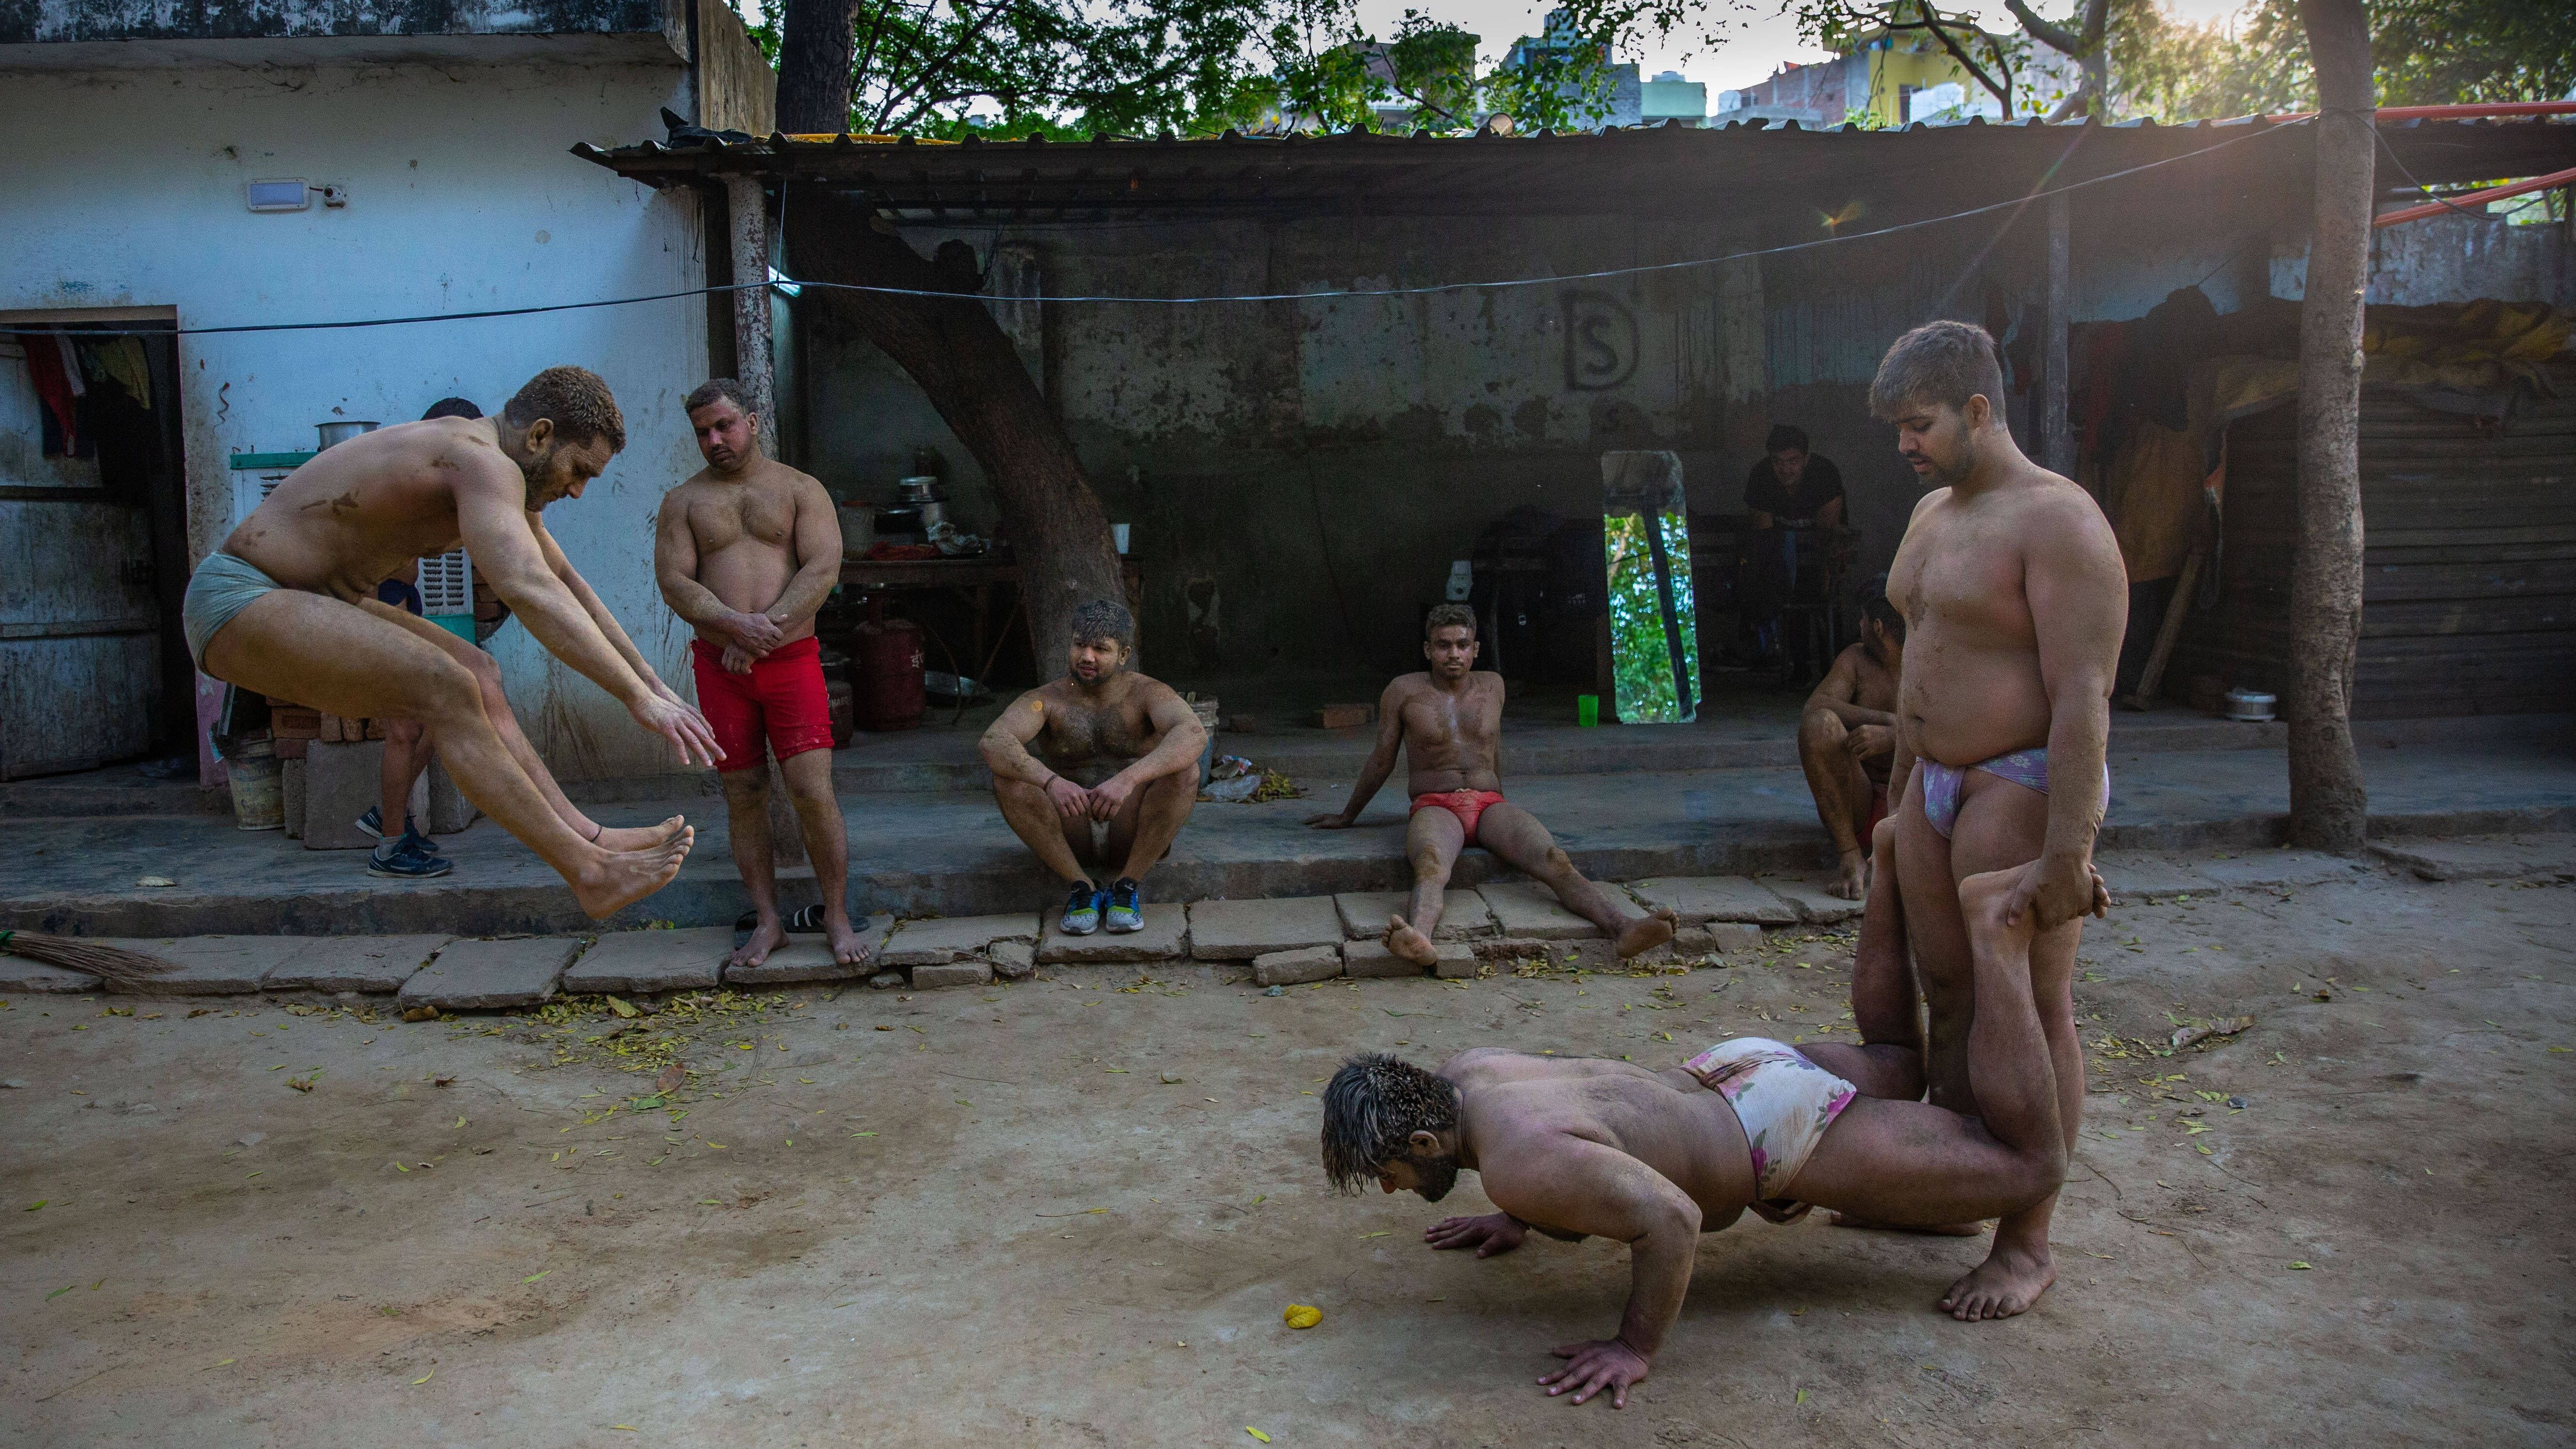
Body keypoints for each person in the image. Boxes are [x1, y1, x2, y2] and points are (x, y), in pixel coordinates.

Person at [1317, 860, 2084, 1408]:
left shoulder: (1518, 1161)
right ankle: (1885, 858)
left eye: (1389, 1172)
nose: (1392, 1189)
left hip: (1770, 1135)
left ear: (1423, 1143)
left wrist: (1632, 1346)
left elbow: (1673, 1220)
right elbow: (1567, 1132)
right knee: (1896, 1060)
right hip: (1733, 1067)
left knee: (2030, 1166)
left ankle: (1998, 941)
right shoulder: (1469, 1072)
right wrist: (1513, 1213)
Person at [185, 366, 717, 919]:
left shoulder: (494, 466)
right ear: (539, 435)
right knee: (447, 686)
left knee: (478, 671)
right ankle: (589, 873)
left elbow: (565, 583)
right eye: (579, 470)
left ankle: (590, 836)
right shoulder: (480, 461)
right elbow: (528, 589)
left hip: (307, 600)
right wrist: (634, 699)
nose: (578, 491)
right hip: (240, 598)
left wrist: (651, 682)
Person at [1875, 319, 2128, 1320]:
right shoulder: (1933, 511)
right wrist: (1897, 792)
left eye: (1919, 422)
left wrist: (2069, 851)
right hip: (1932, 783)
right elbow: (1916, 657)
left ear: (1978, 409)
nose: (1904, 443)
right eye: (1898, 426)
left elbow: (2082, 696)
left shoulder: (2059, 521)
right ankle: (1953, 1189)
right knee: (1948, 988)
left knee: (2027, 999)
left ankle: (2027, 1241)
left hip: (2018, 784)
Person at [1305, 604, 1677, 965]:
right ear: (1427, 650)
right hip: (1435, 804)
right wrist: (1348, 813)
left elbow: (1493, 749)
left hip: (1489, 803)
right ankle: (1419, 937)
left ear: (1476, 649)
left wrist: (1503, 807)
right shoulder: (1402, 691)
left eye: (1462, 645)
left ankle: (1623, 927)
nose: (1454, 654)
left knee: (1554, 859)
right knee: (1432, 865)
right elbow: (1382, 758)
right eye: (1443, 645)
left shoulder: (1493, 685)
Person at [653, 379, 869, 971]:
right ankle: (768, 920)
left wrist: (760, 631)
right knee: (743, 793)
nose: (715, 439)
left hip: (790, 662)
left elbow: (823, 566)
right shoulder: (683, 501)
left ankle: (836, 913)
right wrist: (730, 624)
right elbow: (675, 581)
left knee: (810, 789)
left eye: (724, 425)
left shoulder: (800, 489)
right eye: (703, 431)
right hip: (721, 668)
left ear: (751, 420)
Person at [979, 599, 1205, 935]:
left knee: (1187, 772)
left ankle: (1125, 887)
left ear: (1123, 655)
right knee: (1008, 779)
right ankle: (1082, 888)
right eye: (1080, 645)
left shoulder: (1148, 693)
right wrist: (1051, 781)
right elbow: (994, 741)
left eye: (1101, 648)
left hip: (1131, 826)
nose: (1087, 656)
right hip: (1071, 830)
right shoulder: (1046, 699)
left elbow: (1193, 733)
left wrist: (1128, 779)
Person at [355, 396, 487, 880]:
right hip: (380, 606)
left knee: (440, 718)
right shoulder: (395, 476)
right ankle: (389, 848)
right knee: (404, 729)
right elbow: (360, 550)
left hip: (404, 599)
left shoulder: (433, 480)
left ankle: (383, 816)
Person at [1797, 585, 1905, 900]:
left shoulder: (1929, 660)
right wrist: (1885, 719)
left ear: (1877, 627)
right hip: (1861, 803)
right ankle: (1850, 855)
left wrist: (1897, 737)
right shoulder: (1855, 659)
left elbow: (1954, 730)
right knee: (1820, 726)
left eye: (1862, 620)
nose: (1858, 627)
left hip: (1917, 804)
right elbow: (1815, 707)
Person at [1740, 423, 1848, 678]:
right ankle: (1791, 667)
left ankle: (1831, 673)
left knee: (1825, 603)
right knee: (1778, 591)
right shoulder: (1762, 477)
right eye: (1778, 462)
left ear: (1806, 459)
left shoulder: (1825, 475)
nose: (1785, 469)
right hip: (1779, 562)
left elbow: (1829, 534)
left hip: (1821, 558)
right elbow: (1764, 537)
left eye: (1793, 461)